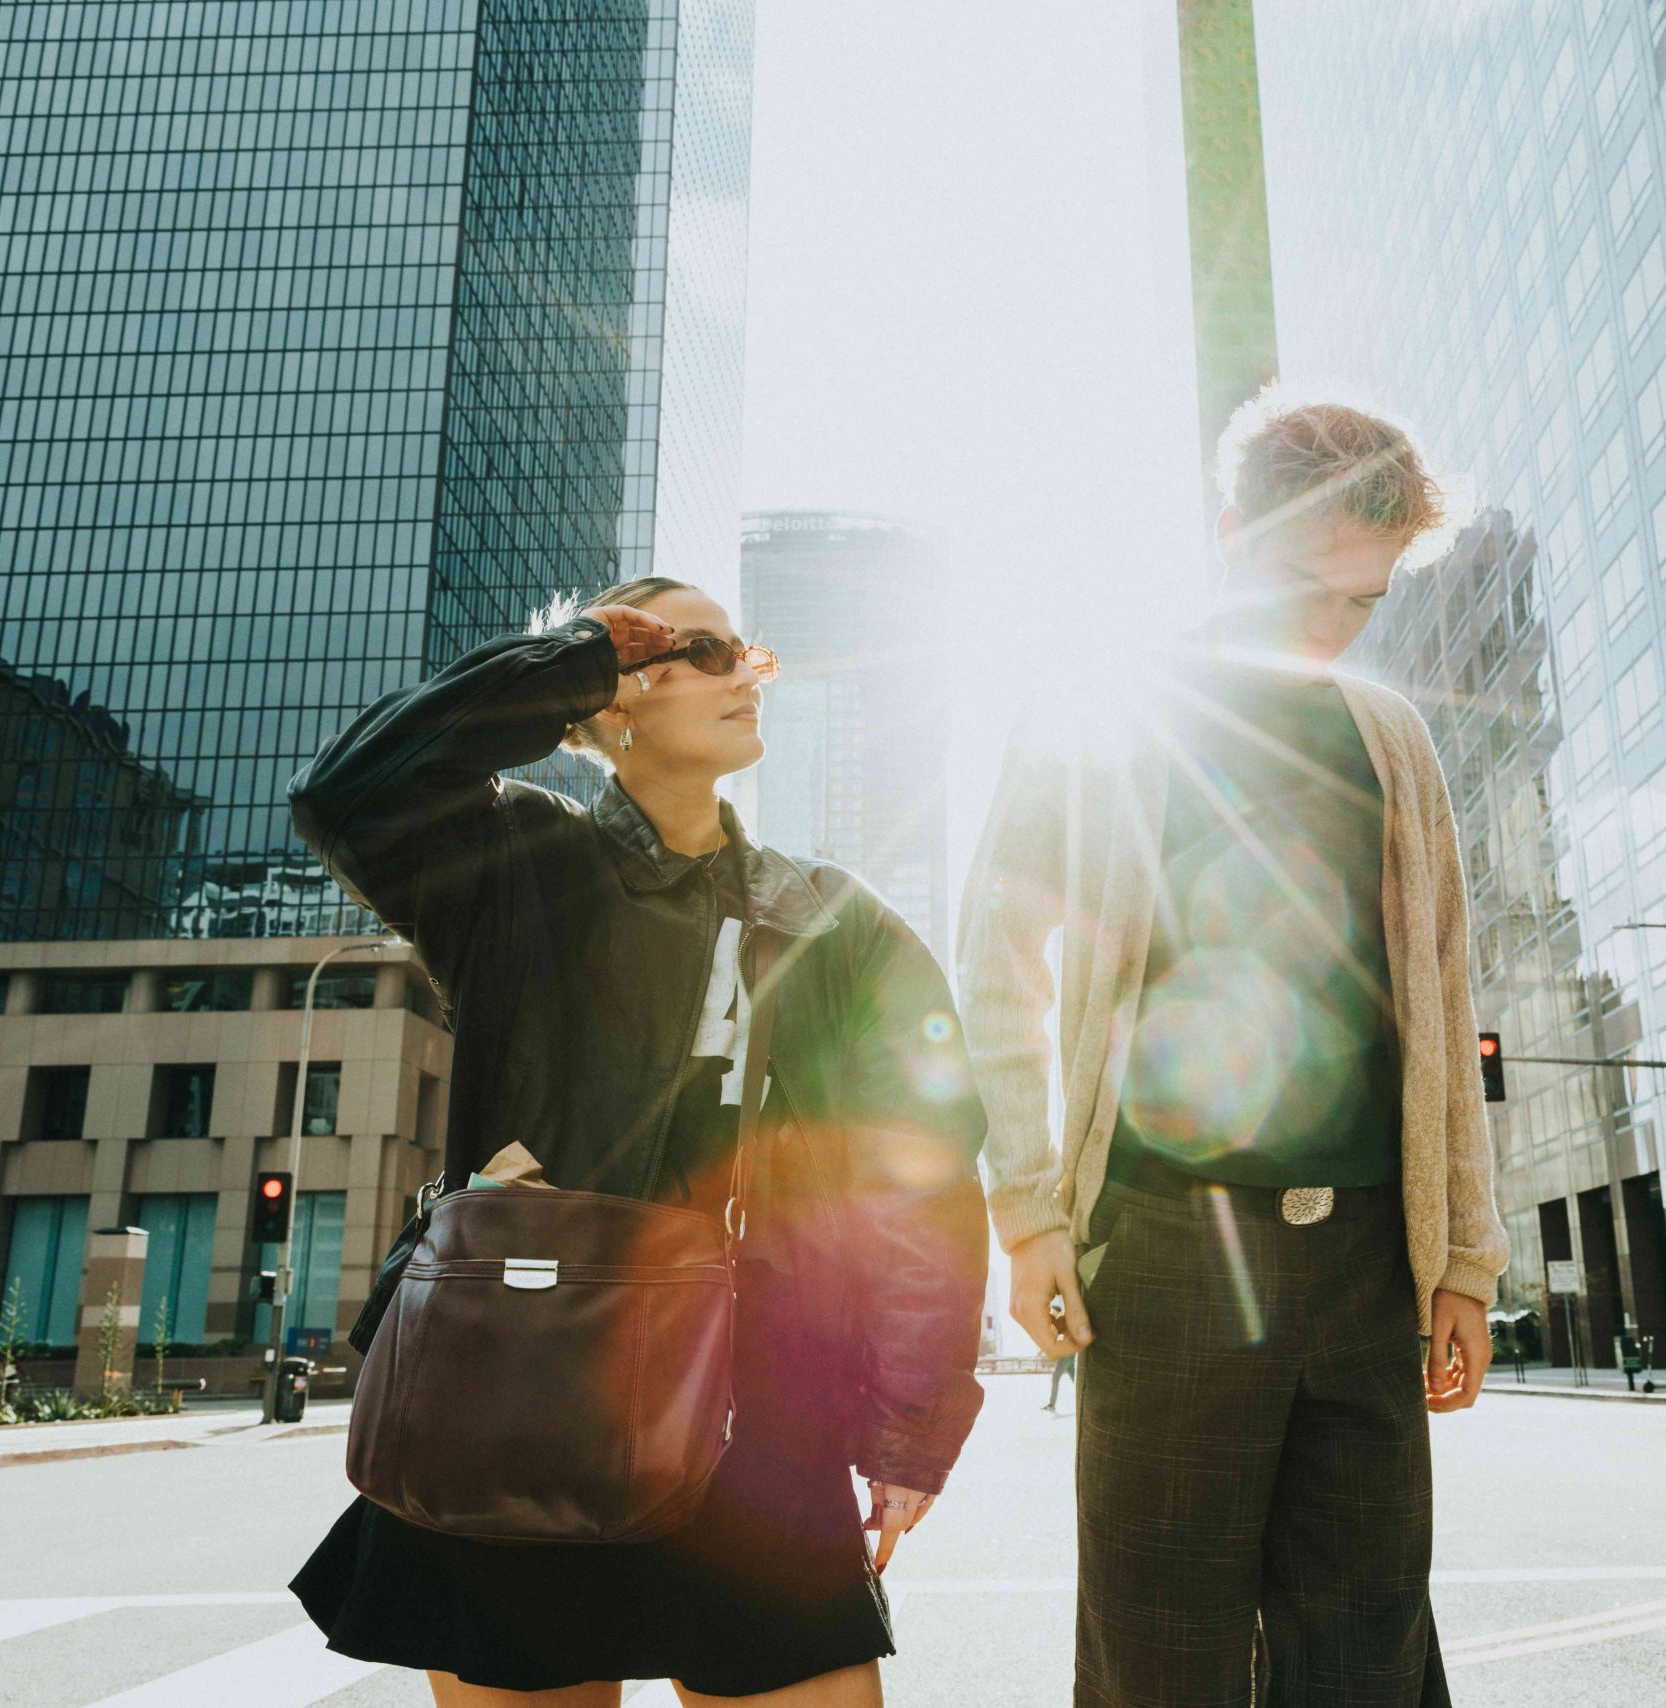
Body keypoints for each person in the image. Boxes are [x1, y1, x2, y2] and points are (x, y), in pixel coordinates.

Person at [285, 578, 989, 1708]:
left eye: (742, 652)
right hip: (519, 1383)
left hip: (760, 1407)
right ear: (612, 697)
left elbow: (924, 1171)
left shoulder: (828, 915)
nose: (737, 673)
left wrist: (911, 1423)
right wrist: (576, 655)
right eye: (692, 648)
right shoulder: (512, 858)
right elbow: (345, 790)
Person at [957, 391, 1510, 1707]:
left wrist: (1466, 1265)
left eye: (1362, 602)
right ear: (1228, 534)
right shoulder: (1100, 710)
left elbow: (1443, 997)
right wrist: (1029, 1214)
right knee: (1162, 1667)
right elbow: (992, 966)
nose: (1328, 623)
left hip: (1372, 1257)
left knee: (1366, 1665)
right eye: (1302, 583)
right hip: (1164, 1249)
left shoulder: (1394, 741)